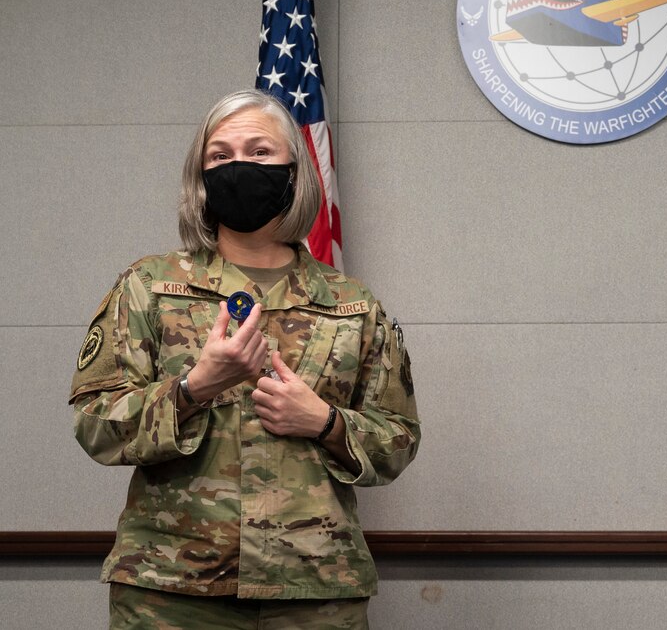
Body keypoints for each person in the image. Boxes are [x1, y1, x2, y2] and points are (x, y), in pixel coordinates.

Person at [70, 89, 420, 629]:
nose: (239, 166)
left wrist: (324, 423)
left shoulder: (351, 303)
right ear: (200, 174)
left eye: (259, 152)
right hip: (172, 591)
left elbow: (398, 439)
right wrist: (194, 389)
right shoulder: (149, 287)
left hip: (314, 589)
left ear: (294, 170)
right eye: (221, 155)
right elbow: (95, 423)